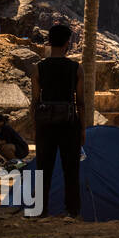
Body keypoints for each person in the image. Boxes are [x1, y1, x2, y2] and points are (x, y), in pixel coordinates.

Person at [30, 23, 83, 218]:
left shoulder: (38, 68)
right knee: (71, 169)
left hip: (45, 124)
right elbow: (81, 102)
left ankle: (40, 210)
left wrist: (35, 128)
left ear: (49, 42)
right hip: (70, 124)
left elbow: (34, 102)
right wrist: (82, 129)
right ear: (67, 43)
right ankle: (72, 211)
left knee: (43, 167)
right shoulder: (76, 68)